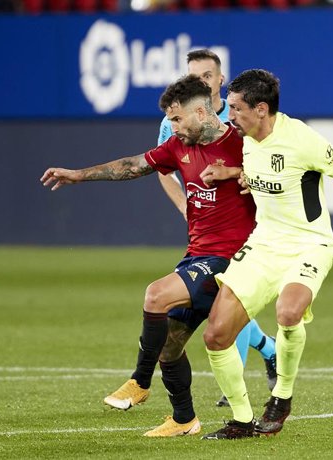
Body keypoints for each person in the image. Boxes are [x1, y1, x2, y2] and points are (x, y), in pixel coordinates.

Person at [199, 69, 333, 440]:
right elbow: (267, 174)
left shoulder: (300, 139)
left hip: (309, 242)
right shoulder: (248, 139)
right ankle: (241, 420)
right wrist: (231, 173)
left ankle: (281, 398)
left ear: (261, 108)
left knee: (288, 310)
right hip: (264, 243)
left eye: (235, 108)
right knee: (216, 335)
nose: (229, 115)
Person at [42, 74, 257, 437]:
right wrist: (80, 175)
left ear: (203, 112)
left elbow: (281, 173)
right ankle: (184, 420)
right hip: (197, 256)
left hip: (232, 260)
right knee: (169, 344)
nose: (171, 127)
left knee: (156, 295)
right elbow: (133, 165)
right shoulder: (177, 146)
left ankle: (139, 383)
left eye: (176, 119)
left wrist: (242, 173)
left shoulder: (243, 143)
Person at [152, 48, 277, 409]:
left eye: (207, 76)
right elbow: (164, 168)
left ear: (221, 80)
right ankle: (268, 350)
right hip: (204, 226)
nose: (201, 82)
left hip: (244, 227)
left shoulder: (239, 116)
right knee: (218, 300)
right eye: (194, 76)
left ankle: (232, 381)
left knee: (226, 299)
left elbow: (267, 162)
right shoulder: (175, 121)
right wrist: (184, 206)